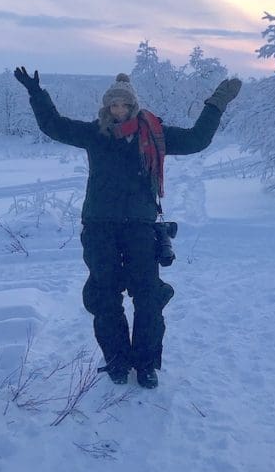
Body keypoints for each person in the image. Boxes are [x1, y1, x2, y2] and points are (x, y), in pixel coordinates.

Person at [13, 66, 242, 389]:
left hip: (140, 228)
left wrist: (217, 102)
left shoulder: (154, 134)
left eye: (124, 105)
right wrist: (37, 93)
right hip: (99, 227)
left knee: (148, 298)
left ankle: (146, 364)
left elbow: (196, 140)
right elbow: (54, 126)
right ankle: (117, 361)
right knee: (105, 296)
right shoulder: (96, 134)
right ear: (106, 107)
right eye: (113, 105)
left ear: (133, 106)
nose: (118, 110)